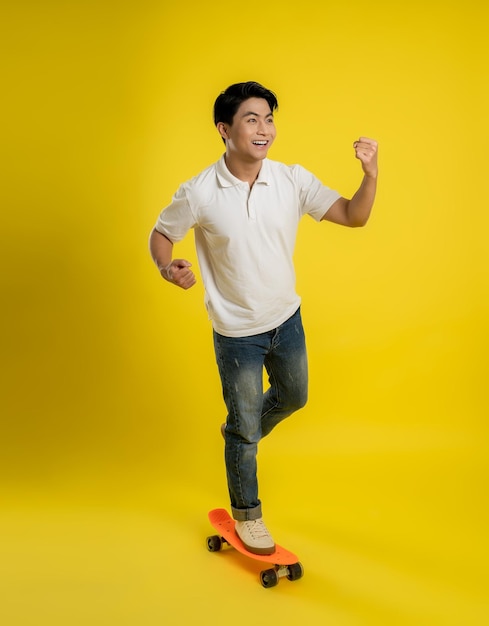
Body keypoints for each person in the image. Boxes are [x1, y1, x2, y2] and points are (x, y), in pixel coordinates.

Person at [149, 81, 378, 555]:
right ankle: (248, 511)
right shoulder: (199, 192)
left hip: (285, 319)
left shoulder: (291, 180)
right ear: (224, 130)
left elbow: (355, 216)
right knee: (247, 428)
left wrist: (371, 174)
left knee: (294, 397)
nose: (264, 128)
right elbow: (160, 234)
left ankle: (240, 431)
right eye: (251, 119)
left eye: (269, 118)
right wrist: (167, 267)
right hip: (237, 334)